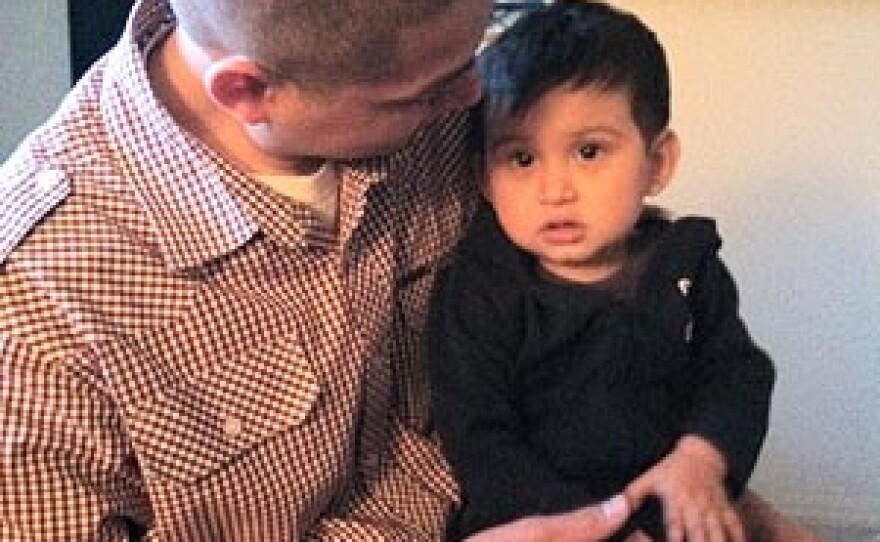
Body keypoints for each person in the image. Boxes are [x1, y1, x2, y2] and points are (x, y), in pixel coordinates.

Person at [0, 0, 820, 540]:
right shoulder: (38, 316)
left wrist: (708, 467)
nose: (471, 99)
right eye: (429, 90)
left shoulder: (424, 80)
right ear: (251, 91)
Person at [426, 2, 778, 541]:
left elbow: (736, 376)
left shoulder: (688, 266)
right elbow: (478, 436)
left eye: (588, 152)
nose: (555, 190)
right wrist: (592, 523)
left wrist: (700, 459)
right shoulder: (482, 287)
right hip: (538, 519)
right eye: (522, 159)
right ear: (484, 179)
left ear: (656, 165)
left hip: (673, 505)